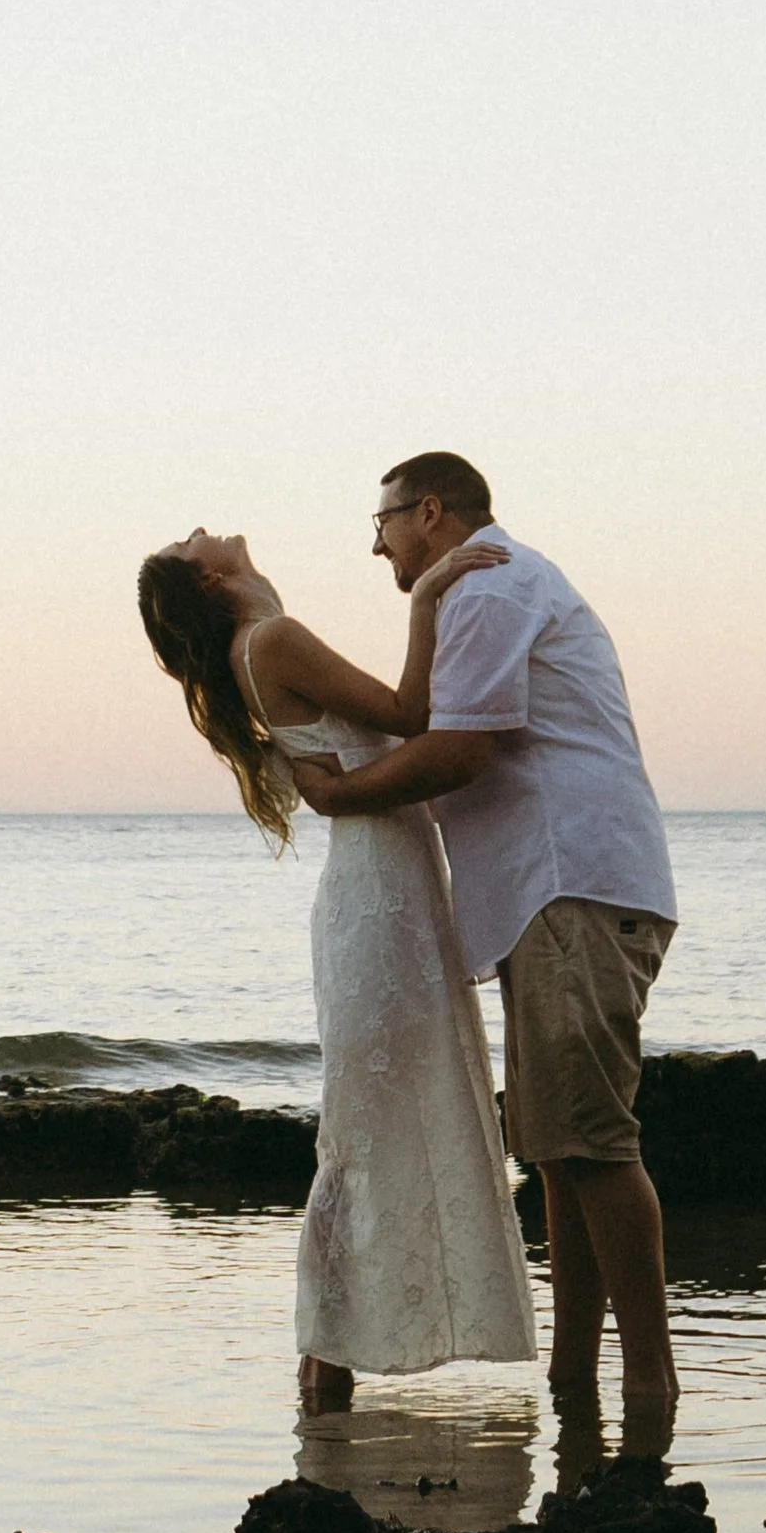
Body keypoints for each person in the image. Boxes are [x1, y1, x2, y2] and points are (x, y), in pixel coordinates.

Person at [286, 455, 680, 1443]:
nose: (375, 543)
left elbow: (459, 747)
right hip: (556, 892)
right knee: (555, 1146)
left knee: (590, 1141)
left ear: (427, 511)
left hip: (571, 884)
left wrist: (336, 797)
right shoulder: (479, 586)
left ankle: (649, 1388)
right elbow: (438, 725)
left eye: (380, 521)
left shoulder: (488, 583)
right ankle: (575, 1381)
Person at [136, 523, 537, 1410]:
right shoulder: (272, 639)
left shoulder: (258, 643)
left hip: (382, 880)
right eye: (191, 538)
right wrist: (428, 594)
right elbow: (408, 713)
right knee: (365, 1127)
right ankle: (325, 1355)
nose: (206, 526)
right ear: (207, 578)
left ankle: (330, 1357)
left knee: (368, 1122)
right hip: (379, 890)